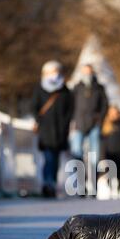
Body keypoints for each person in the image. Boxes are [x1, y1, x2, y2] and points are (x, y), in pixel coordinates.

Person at [32, 60, 73, 198]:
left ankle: (52, 182)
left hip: (60, 130)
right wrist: (39, 120)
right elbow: (34, 107)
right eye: (51, 72)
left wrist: (65, 125)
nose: (54, 74)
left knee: (55, 159)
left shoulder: (65, 90)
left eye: (56, 71)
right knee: (48, 157)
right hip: (45, 130)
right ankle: (47, 182)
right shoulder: (40, 89)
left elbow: (70, 109)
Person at [70, 64, 108, 195]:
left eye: (89, 72)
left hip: (94, 125)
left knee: (94, 157)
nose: (87, 75)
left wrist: (99, 120)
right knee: (76, 154)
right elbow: (71, 106)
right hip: (79, 124)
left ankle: (93, 184)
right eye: (85, 72)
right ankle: (80, 184)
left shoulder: (99, 88)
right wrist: (73, 121)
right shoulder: (77, 88)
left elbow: (105, 105)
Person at [100, 105, 120, 191]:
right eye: (111, 112)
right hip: (108, 152)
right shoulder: (105, 123)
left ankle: (118, 188)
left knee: (119, 171)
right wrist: (102, 154)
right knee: (110, 170)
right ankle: (110, 187)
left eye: (115, 112)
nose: (113, 114)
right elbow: (102, 140)